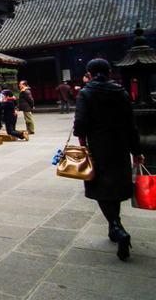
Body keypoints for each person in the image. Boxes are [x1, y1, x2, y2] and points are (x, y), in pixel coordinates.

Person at [73, 58, 144, 261]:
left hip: (98, 147)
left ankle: (116, 227)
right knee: (115, 187)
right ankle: (115, 226)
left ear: (89, 72)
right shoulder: (120, 92)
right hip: (120, 146)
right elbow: (131, 124)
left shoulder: (86, 93)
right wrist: (136, 150)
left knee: (102, 188)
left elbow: (80, 123)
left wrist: (83, 141)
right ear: (109, 71)